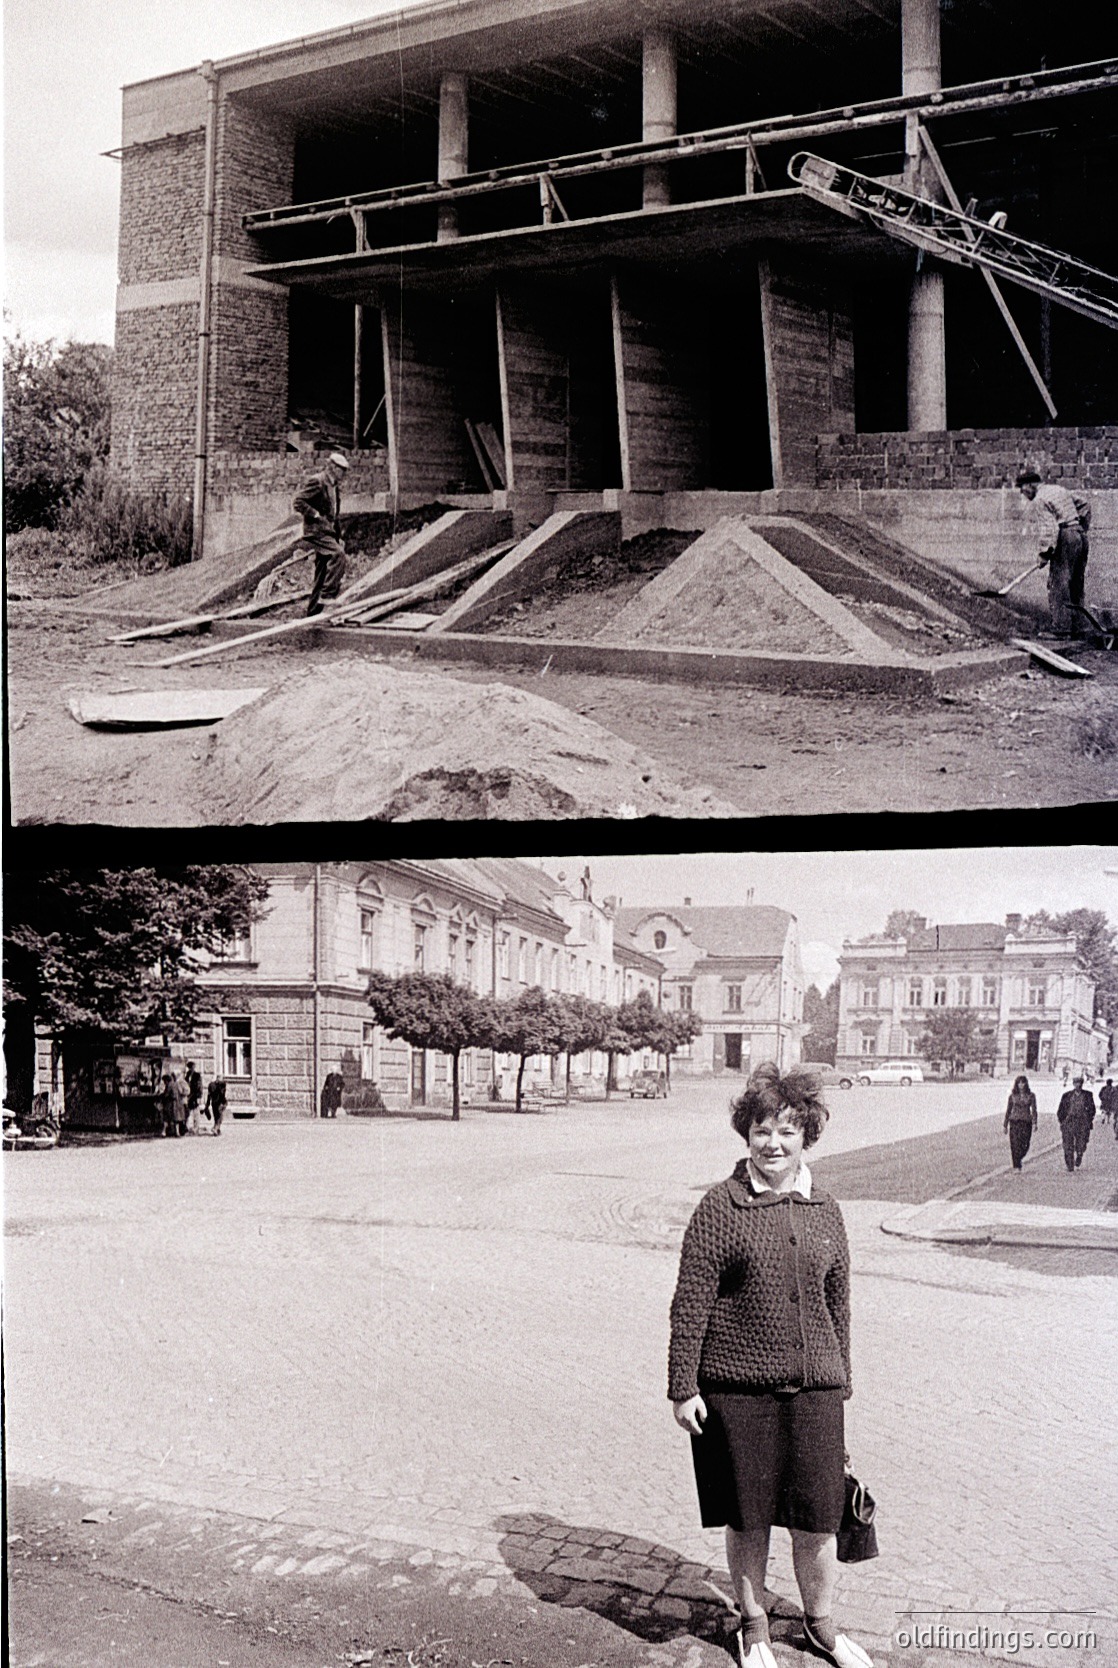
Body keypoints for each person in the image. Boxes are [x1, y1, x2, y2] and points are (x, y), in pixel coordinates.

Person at [668, 1064, 872, 1668]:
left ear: (807, 1135)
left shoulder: (826, 1209)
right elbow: (691, 1301)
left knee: (818, 1519)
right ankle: (752, 1625)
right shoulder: (720, 1207)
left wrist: (842, 1380)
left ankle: (820, 1625)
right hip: (737, 1394)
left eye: (786, 1131)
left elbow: (839, 1301)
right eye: (762, 1131)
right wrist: (683, 1387)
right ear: (746, 1135)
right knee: (748, 1518)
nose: (773, 1144)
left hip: (814, 1391)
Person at [1015, 469, 1090, 636]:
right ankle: (1079, 628)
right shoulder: (1058, 490)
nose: (1022, 492)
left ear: (1030, 485)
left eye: (1022, 488)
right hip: (1080, 537)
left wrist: (1044, 553)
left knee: (1058, 583)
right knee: (1075, 583)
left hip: (1066, 536)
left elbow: (1049, 529)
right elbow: (1084, 505)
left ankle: (1061, 629)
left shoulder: (1039, 499)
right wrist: (1080, 529)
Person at [294, 451, 349, 616]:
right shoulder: (317, 481)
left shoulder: (333, 486)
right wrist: (315, 515)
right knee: (338, 555)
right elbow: (298, 502)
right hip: (316, 531)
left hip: (328, 531)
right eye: (341, 469)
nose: (343, 474)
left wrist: (338, 536)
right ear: (332, 467)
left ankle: (312, 614)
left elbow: (334, 513)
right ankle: (328, 594)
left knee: (322, 572)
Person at [1055, 1075, 1096, 1172]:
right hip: (1069, 1121)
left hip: (1082, 1122)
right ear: (1073, 1084)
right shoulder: (1067, 1096)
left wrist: (1089, 1119)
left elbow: (1092, 1109)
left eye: (1080, 1083)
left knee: (1082, 1142)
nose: (1078, 1085)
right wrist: (1062, 1121)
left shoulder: (1088, 1095)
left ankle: (1079, 1154)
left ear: (1082, 1084)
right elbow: (1060, 1110)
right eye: (1076, 1083)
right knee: (1068, 1143)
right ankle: (1070, 1164)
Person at [1003, 1074, 1038, 1170]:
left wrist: (1035, 1122)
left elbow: (1034, 1110)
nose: (1021, 1085)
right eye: (1019, 1083)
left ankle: (1019, 1158)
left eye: (1023, 1083)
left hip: (1026, 1122)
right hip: (1014, 1122)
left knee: (1025, 1144)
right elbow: (1008, 1110)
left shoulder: (1031, 1096)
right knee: (1014, 1144)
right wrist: (1005, 1125)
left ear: (1026, 1084)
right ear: (1016, 1084)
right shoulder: (1012, 1096)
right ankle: (1016, 1165)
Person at [184, 1061, 203, 1134]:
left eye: (192, 1067)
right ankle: (187, 1127)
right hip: (188, 1096)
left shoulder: (197, 1075)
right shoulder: (187, 1075)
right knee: (188, 1112)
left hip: (195, 1095)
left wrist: (199, 1096)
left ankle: (196, 1128)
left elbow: (199, 1086)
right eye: (190, 1067)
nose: (191, 1069)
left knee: (196, 1113)